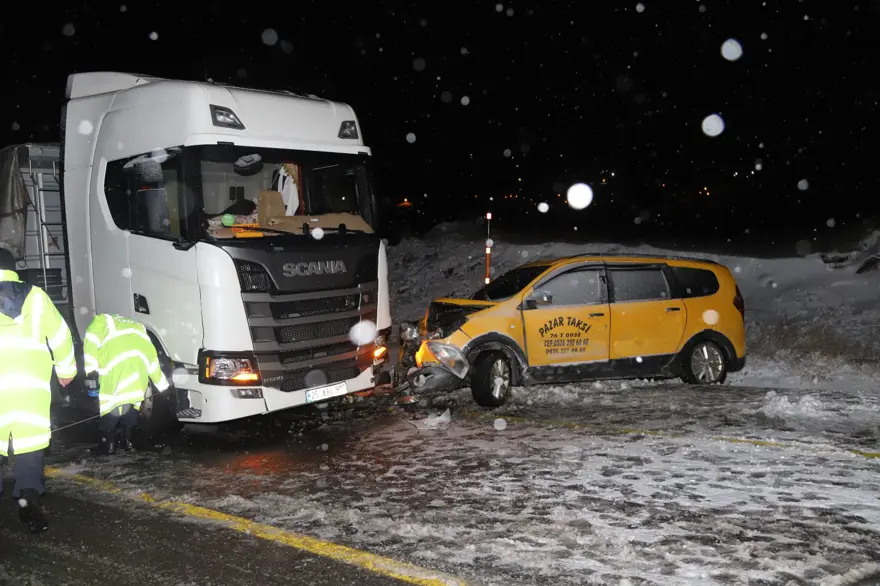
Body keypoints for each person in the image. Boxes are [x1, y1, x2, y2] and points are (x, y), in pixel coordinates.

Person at [0, 247, 77, 533]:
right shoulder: (36, 296)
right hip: (29, 388)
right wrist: (66, 370)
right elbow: (60, 335)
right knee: (30, 444)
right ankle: (28, 498)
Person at [82, 313, 170, 454]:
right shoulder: (140, 328)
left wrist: (91, 370)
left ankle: (109, 444)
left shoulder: (102, 320)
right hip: (138, 368)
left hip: (114, 365)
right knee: (132, 400)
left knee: (110, 404)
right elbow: (152, 360)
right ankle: (128, 442)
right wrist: (163, 386)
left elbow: (91, 342)